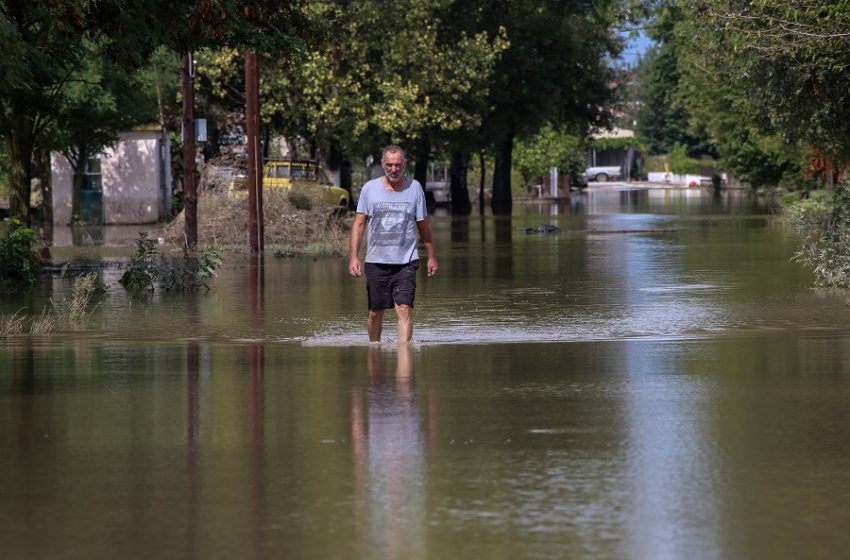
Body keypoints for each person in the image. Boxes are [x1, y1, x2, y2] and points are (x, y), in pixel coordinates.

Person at [349, 145, 438, 343]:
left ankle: (404, 361)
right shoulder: (369, 189)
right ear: (382, 164)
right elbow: (359, 224)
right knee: (375, 312)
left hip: (406, 261)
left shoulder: (414, 188)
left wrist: (431, 256)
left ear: (404, 164)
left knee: (404, 308)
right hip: (376, 261)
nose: (393, 169)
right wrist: (353, 256)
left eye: (397, 165)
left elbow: (423, 224)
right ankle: (375, 352)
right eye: (389, 165)